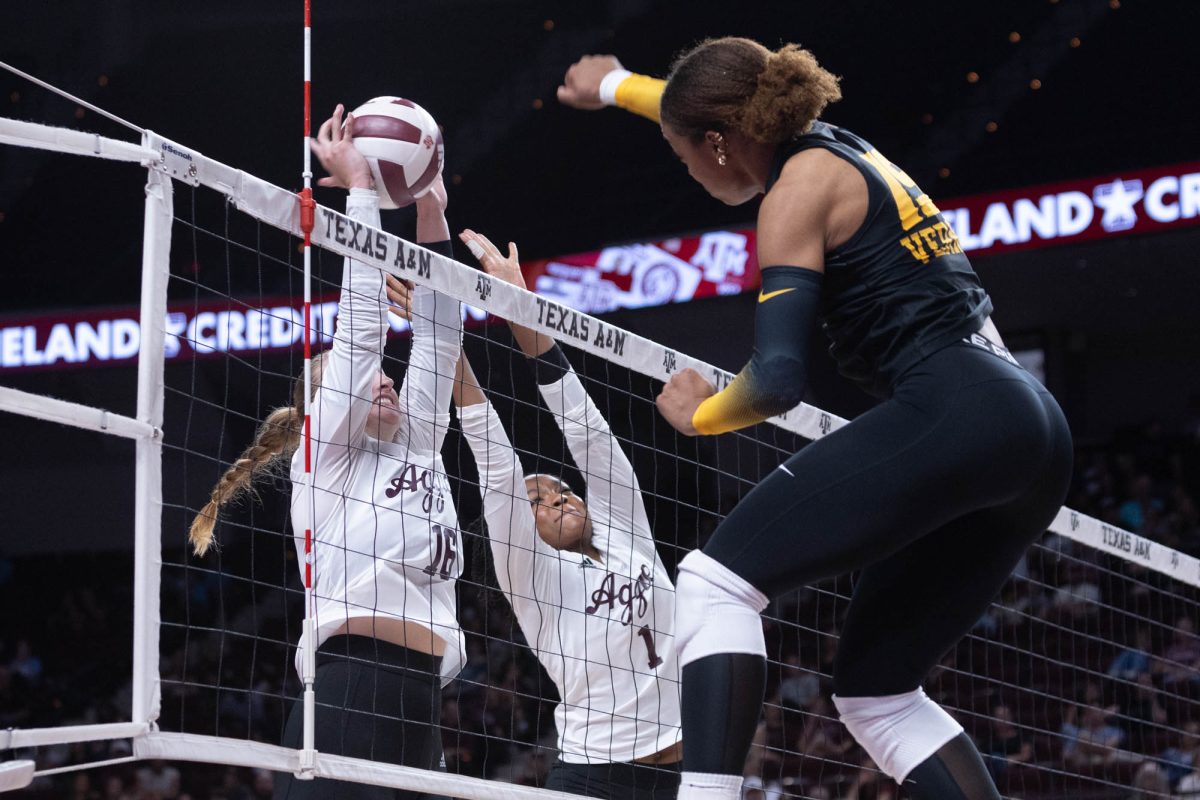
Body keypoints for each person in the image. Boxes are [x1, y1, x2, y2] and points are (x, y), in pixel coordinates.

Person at [559, 39, 1073, 800]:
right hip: (1034, 431)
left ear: (719, 145)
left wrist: (697, 414)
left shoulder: (793, 195)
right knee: (880, 696)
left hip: (960, 408)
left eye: (684, 157)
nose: (690, 173)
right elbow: (696, 102)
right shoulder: (840, 146)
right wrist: (615, 87)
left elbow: (775, 382)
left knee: (713, 586)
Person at [187, 104, 464, 799]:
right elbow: (365, 330)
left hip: (422, 711)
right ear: (325, 406)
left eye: (388, 379)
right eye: (363, 379)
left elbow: (438, 336)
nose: (386, 382)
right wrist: (362, 190)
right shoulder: (327, 454)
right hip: (348, 700)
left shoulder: (419, 441)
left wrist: (431, 214)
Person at [401, 229, 682, 798]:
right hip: (596, 773)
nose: (555, 496)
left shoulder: (627, 531)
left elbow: (587, 430)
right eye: (537, 500)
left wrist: (519, 309)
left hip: (693, 764)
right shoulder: (533, 577)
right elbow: (499, 469)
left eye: (560, 488)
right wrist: (439, 338)